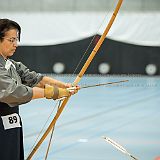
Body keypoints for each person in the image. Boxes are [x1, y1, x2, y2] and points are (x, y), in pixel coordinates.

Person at [0, 18, 79, 160]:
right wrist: (52, 93)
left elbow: (35, 79)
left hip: (11, 121)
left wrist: (64, 86)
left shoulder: (10, 64)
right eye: (11, 40)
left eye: (16, 40)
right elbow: (13, 92)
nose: (15, 44)